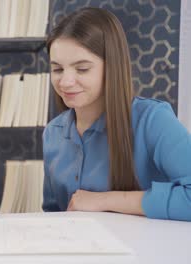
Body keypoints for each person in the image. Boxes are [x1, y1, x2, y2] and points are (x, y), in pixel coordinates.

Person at [42, 7, 191, 221]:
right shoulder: (52, 133)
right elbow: (53, 214)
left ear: (112, 66)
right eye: (57, 69)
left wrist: (105, 200)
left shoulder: (152, 120)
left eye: (82, 69)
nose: (65, 82)